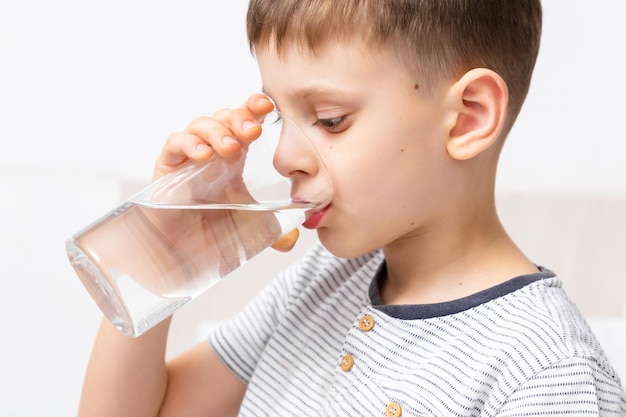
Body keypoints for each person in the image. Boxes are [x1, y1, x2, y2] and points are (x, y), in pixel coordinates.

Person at [77, 0, 626, 416]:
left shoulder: (546, 374)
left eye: (331, 119)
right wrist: (160, 263)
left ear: (468, 118)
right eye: (280, 117)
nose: (285, 156)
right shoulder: (322, 284)